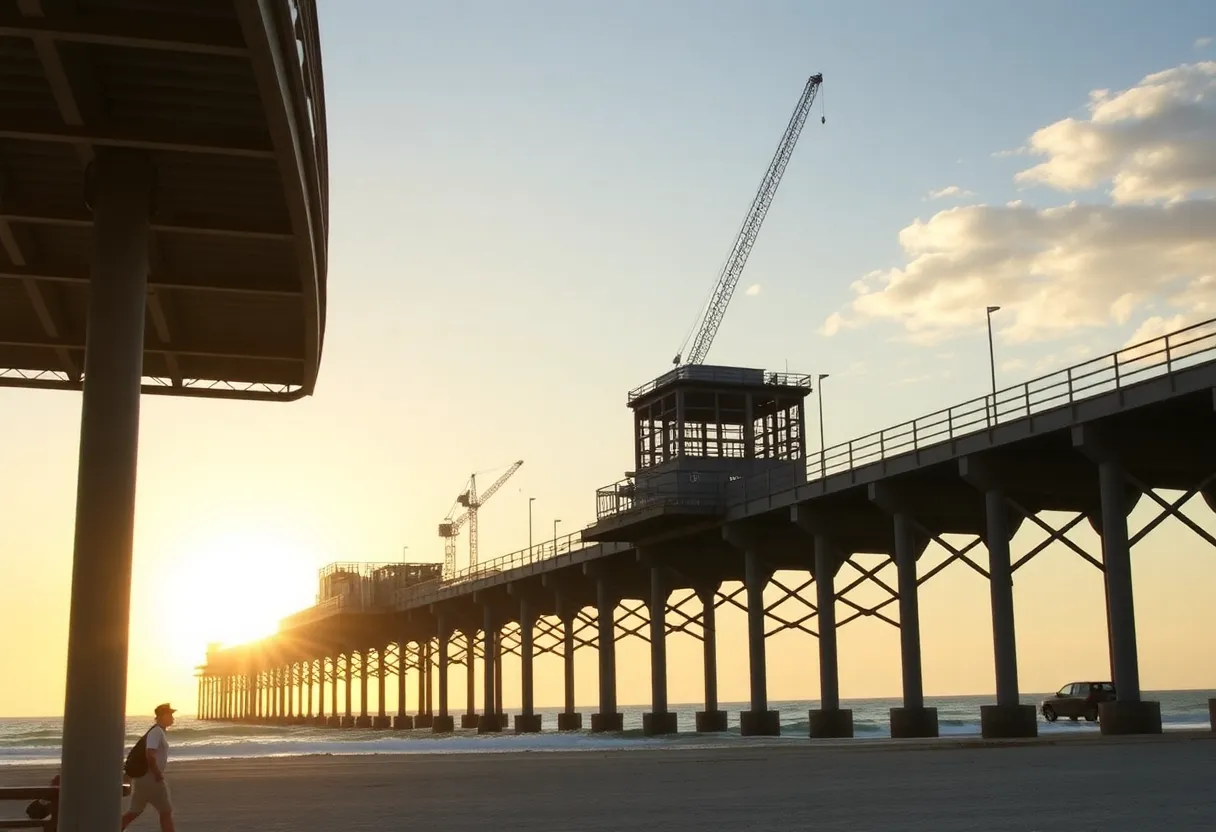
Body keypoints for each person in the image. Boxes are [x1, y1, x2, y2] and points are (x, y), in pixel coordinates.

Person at [121, 703, 176, 831]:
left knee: (134, 811)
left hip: (144, 778)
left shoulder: (157, 731)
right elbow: (150, 754)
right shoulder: (156, 732)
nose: (173, 718)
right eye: (170, 714)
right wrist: (157, 773)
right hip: (151, 778)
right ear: (162, 716)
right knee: (166, 811)